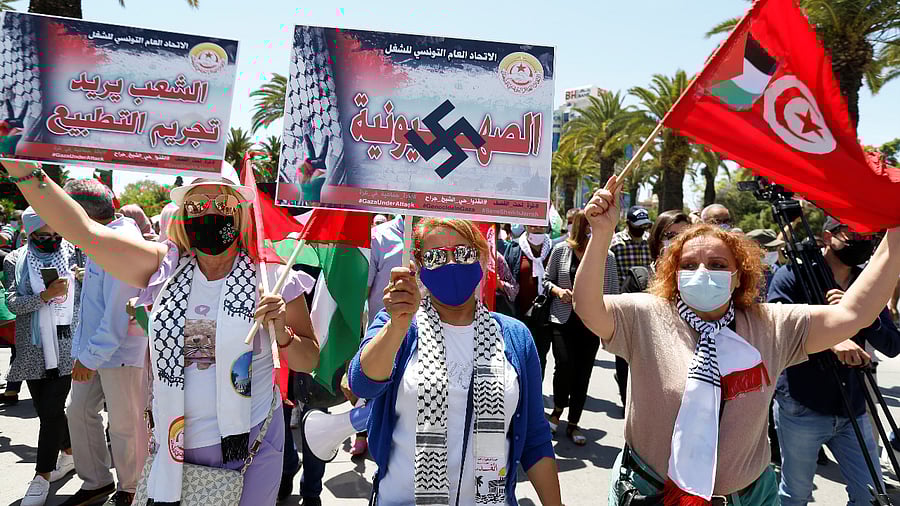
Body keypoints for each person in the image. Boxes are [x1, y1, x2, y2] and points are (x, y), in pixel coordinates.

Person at [0, 159, 320, 506]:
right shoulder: (162, 268)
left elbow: (308, 360)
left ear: (241, 211)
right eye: (197, 205)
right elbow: (85, 232)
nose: (210, 213)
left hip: (250, 443)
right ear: (183, 214)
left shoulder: (273, 277)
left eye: (222, 203)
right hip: (173, 444)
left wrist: (282, 331)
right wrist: (21, 165)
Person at [574, 176, 900, 505]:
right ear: (674, 273)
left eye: (717, 265)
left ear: (738, 276)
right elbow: (587, 308)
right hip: (651, 494)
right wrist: (601, 233)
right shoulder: (645, 315)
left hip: (749, 497)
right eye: (689, 265)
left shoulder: (770, 325)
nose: (703, 272)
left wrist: (895, 235)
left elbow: (853, 314)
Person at [350, 218, 562, 505]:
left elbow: (536, 437)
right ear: (419, 266)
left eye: (463, 253)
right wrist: (397, 326)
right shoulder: (399, 325)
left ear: (482, 256)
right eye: (436, 257)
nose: (451, 263)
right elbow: (362, 384)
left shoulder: (514, 336)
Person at [770, 217, 900, 506]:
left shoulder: (868, 282)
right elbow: (777, 330)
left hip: (854, 405)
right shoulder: (793, 275)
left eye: (868, 235)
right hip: (802, 405)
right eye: (854, 234)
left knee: (870, 495)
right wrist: (832, 338)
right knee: (795, 495)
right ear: (828, 236)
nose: (863, 241)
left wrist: (861, 315)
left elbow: (892, 345)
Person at [60, 180, 148, 506]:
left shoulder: (120, 242)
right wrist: (85, 353)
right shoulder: (102, 237)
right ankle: (96, 481)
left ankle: (131, 488)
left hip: (120, 351)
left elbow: (117, 313)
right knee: (79, 411)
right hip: (96, 350)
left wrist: (89, 356)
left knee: (124, 424)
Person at [5, 207, 80, 506]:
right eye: (43, 235)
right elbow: (13, 303)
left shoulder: (74, 253)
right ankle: (70, 452)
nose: (52, 240)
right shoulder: (15, 260)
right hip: (32, 347)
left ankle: (42, 475)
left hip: (66, 342)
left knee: (50, 411)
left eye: (56, 233)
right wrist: (44, 297)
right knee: (46, 410)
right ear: (29, 233)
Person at [544, 210, 619, 445]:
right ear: (579, 226)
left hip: (590, 323)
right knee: (564, 366)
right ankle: (557, 411)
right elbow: (546, 280)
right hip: (563, 319)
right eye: (588, 225)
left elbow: (613, 293)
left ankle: (574, 422)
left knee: (583, 373)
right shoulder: (560, 250)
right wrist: (559, 291)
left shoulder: (607, 256)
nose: (592, 230)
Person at [615, 210, 690, 408]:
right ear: (657, 241)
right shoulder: (639, 280)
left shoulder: (701, 281)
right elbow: (624, 345)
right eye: (671, 235)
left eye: (685, 234)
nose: (679, 241)